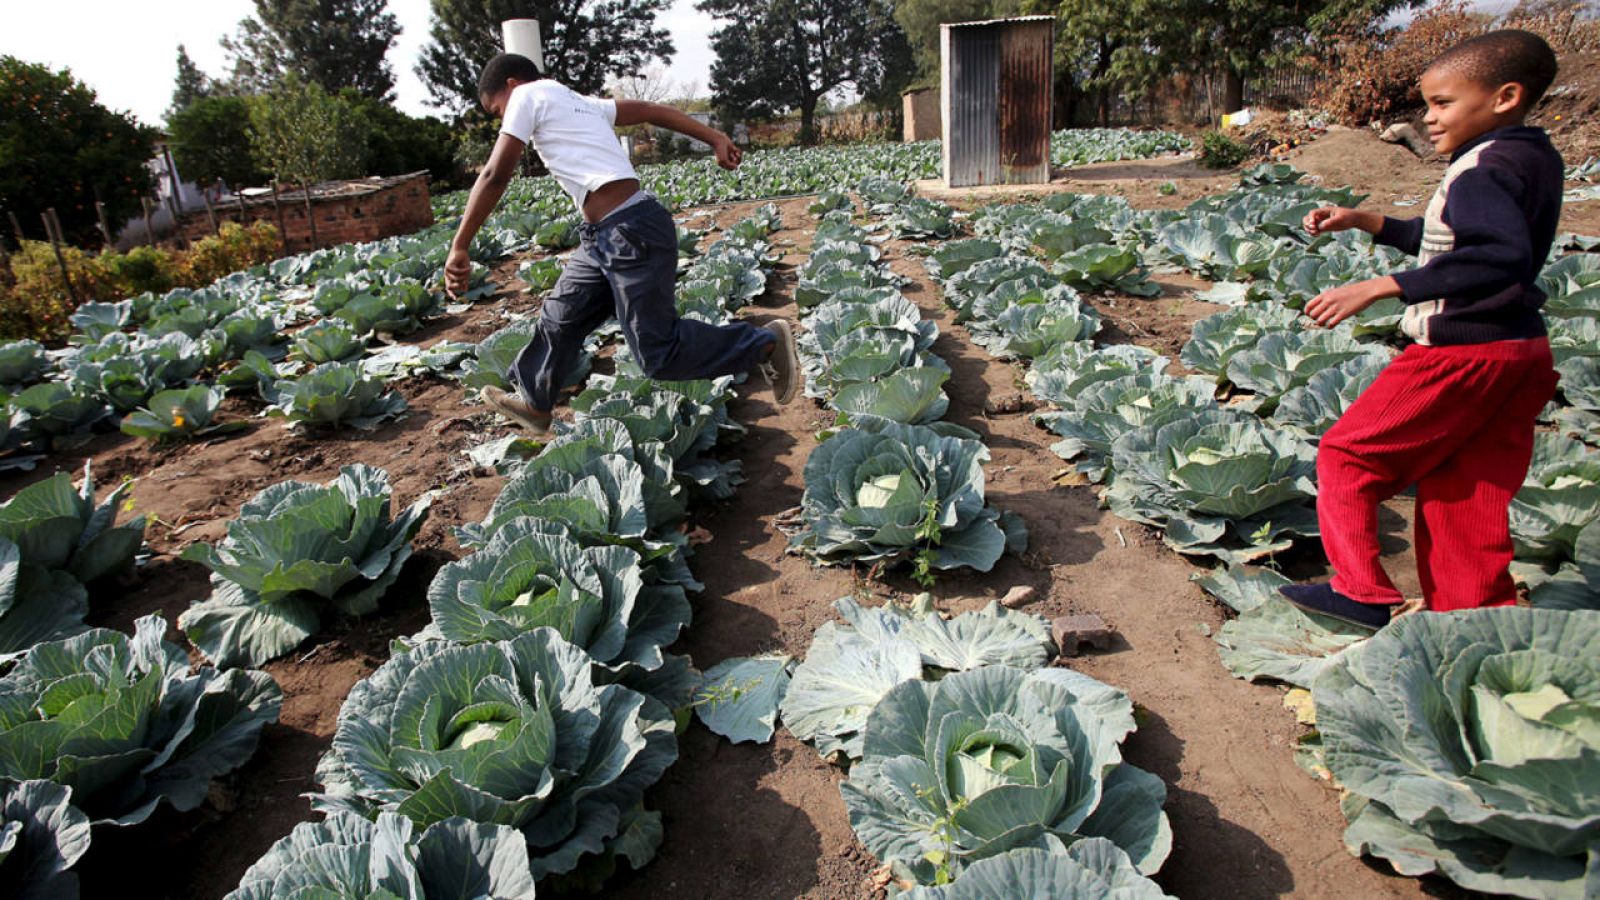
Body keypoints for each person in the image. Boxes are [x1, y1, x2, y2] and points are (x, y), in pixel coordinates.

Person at [1281, 29, 1564, 628]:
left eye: (1443, 103)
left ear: (1505, 96)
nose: (1429, 119)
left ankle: (1361, 591)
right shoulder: (1531, 156)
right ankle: (1475, 619)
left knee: (1348, 456)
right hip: (1520, 352)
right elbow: (1451, 241)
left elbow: (1498, 255)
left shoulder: (1482, 170)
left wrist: (1383, 286)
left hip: (1461, 353)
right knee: (1468, 492)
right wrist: (1367, 222)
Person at [443, 53, 799, 433]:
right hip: (603, 236)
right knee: (560, 315)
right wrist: (713, 137)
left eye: (497, 110)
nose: (502, 119)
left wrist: (460, 244)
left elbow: (497, 173)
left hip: (631, 230)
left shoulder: (527, 96)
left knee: (658, 354)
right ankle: (536, 402)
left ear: (511, 85)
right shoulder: (577, 102)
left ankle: (763, 343)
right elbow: (646, 109)